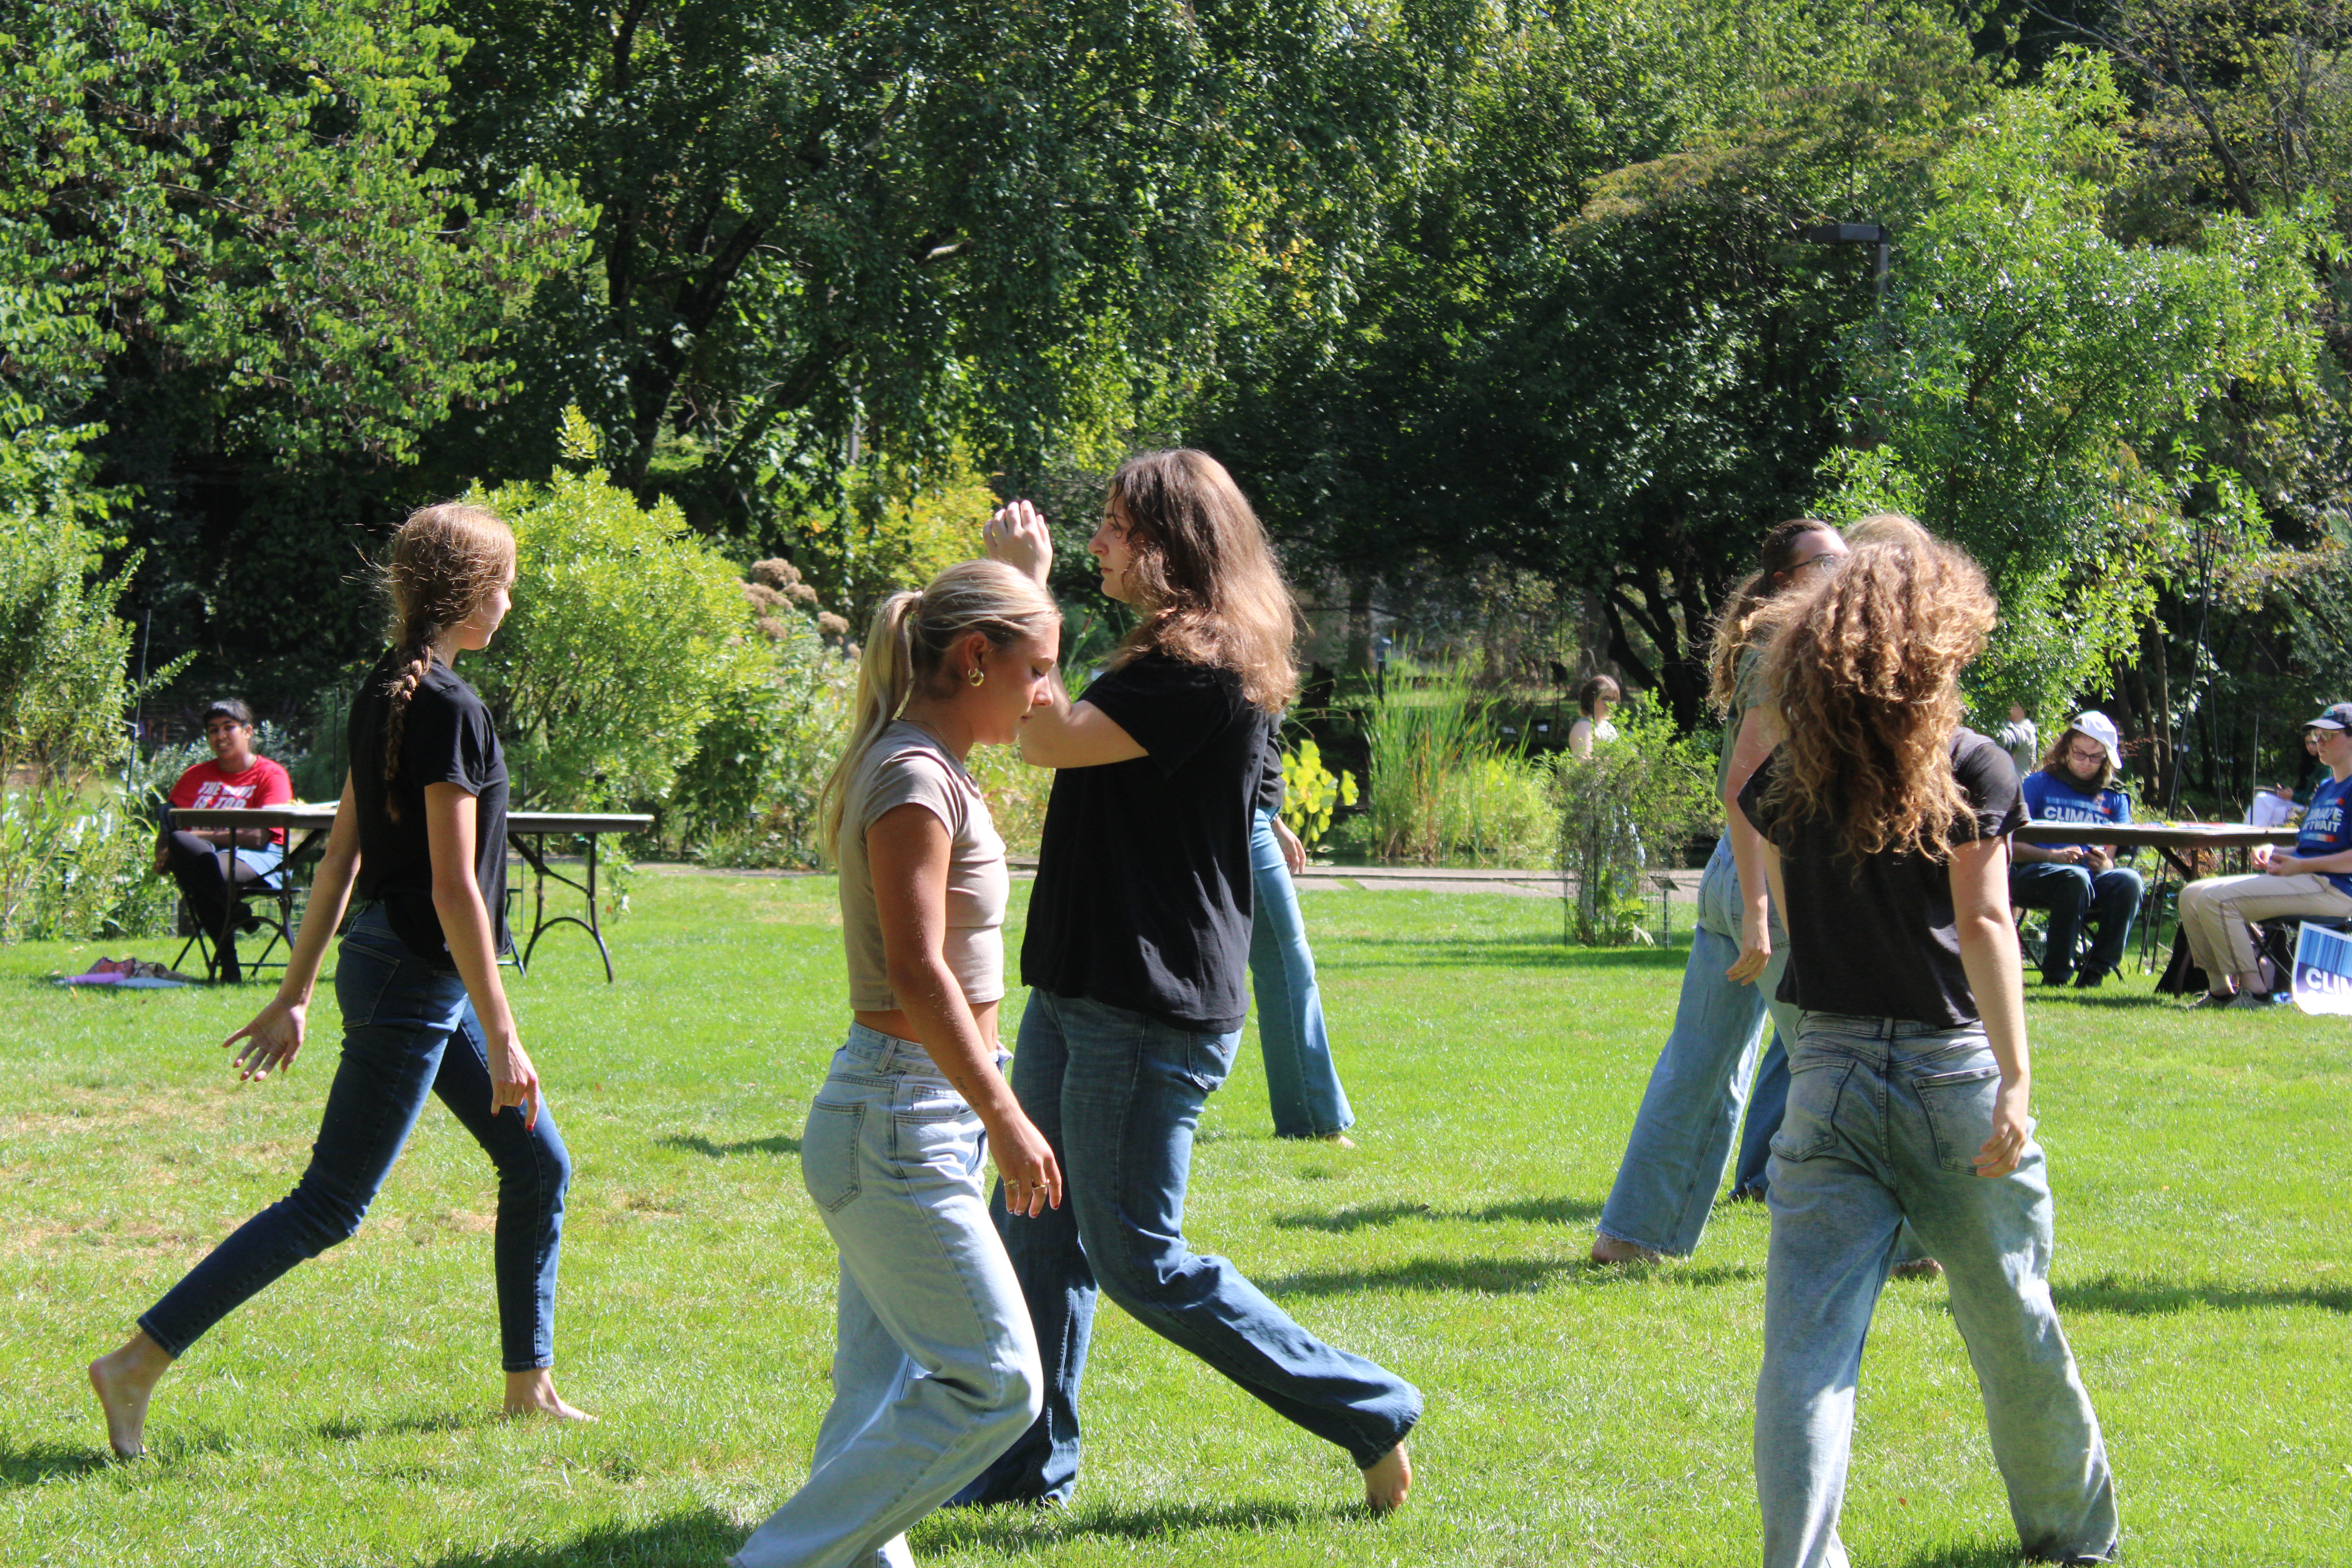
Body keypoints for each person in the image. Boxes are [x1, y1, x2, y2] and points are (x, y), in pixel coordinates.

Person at [954, 450, 1419, 1513]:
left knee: (1140, 1260)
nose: (1097, 541)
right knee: (1036, 1231)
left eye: (1116, 525)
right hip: (1086, 983)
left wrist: (1021, 588)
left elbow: (1042, 739)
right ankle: (1025, 1472)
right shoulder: (1175, 656)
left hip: (1144, 1008)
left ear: (1170, 545)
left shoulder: (1197, 665)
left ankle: (1369, 1407)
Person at [87, 503, 585, 1458]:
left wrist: (299, 991)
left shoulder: (388, 690)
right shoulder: (447, 707)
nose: (511, 600)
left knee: (537, 1163)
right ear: (471, 593)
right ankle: (136, 1361)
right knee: (330, 1203)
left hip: (399, 970)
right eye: (506, 584)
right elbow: (452, 887)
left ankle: (530, 1386)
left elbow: (340, 859)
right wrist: (505, 1032)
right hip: (415, 980)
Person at [1736, 513, 2118, 1568]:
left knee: (1805, 1354)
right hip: (1953, 1073)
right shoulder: (1973, 765)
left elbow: (1788, 901)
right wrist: (2018, 1079)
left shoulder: (1791, 776)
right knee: (2012, 1321)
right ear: (1936, 635)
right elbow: (1987, 921)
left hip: (1825, 1076)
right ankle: (2072, 1539)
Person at [731, 561, 1065, 1568]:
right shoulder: (914, 776)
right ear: (976, 658)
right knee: (1000, 1379)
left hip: (916, 1116)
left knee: (875, 1400)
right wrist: (1006, 1112)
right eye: (1037, 669)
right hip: (897, 1121)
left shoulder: (934, 766)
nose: (1045, 693)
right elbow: (920, 972)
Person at [1590, 519, 1845, 1264]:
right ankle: (1903, 1244)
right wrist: (1761, 912)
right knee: (1840, 1063)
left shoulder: (1791, 644)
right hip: (1767, 878)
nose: (1843, 568)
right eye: (1827, 560)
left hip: (1739, 879)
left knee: (1698, 1068)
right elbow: (1744, 787)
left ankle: (1632, 1238)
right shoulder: (1783, 648)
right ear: (1788, 579)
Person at [2176, 701, 2352, 1008]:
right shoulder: (2326, 788)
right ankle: (2220, 991)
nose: (2319, 742)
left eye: (2328, 735)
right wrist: (2276, 850)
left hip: (2336, 890)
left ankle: (2255, 993)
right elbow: (2310, 845)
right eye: (2316, 735)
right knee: (2192, 894)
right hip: (2306, 879)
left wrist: (2301, 866)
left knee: (2218, 900)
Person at [1250, 767, 1357, 1145]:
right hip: (1237, 818)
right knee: (1286, 969)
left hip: (1254, 816)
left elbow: (1257, 750)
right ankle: (1314, 1121)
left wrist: (1274, 820)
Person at [154, 699, 294, 983]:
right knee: (195, 863)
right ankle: (238, 913)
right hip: (208, 860)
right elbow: (169, 823)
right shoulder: (195, 776)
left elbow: (258, 837)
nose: (220, 736)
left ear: (248, 731)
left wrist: (196, 837)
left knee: (197, 869)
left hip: (259, 858)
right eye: (213, 730)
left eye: (228, 727)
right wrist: (164, 851)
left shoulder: (271, 775)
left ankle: (229, 967)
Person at [2009, 712, 2142, 989]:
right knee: (2074, 878)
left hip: (2089, 879)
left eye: (2095, 757)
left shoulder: (2115, 796)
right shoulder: (2039, 784)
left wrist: (2103, 865)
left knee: (2130, 881)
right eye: (2079, 753)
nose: (2086, 762)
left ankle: (2095, 972)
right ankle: (2057, 975)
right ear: (2066, 749)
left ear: (2106, 759)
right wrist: (2051, 856)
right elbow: (2010, 846)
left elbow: (2110, 860)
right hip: (2033, 875)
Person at [1567, 674, 1621, 758]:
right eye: (1606, 699)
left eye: (1614, 700)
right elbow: (1583, 763)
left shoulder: (1609, 726)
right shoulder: (1584, 727)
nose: (1610, 704)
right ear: (1591, 699)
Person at [1997, 702, 2040, 780]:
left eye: (2013, 701)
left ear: (2023, 708)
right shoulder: (2012, 725)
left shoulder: (2027, 731)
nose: (2006, 703)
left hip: (2018, 786)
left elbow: (2003, 740)